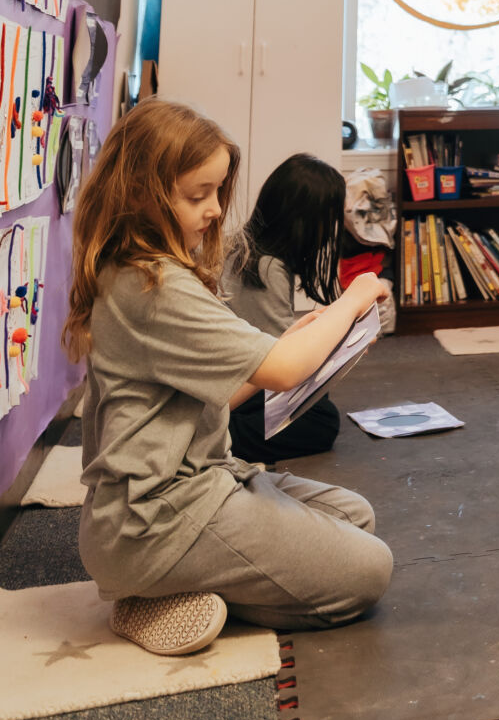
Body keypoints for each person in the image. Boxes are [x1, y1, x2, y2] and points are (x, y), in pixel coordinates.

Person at [65, 101, 393, 657]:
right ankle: (155, 586)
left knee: (353, 516)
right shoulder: (153, 286)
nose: (216, 210)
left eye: (218, 192)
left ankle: (175, 583)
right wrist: (355, 295)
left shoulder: (145, 269)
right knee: (370, 571)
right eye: (198, 195)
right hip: (155, 523)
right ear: (141, 193)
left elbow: (232, 384)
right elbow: (284, 371)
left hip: (204, 480)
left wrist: (310, 329)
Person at [224, 154, 349, 466]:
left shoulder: (250, 248)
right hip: (236, 387)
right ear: (304, 219)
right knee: (321, 421)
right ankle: (221, 436)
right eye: (328, 219)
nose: (332, 229)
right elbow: (284, 359)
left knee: (318, 404)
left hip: (237, 377)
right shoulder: (266, 267)